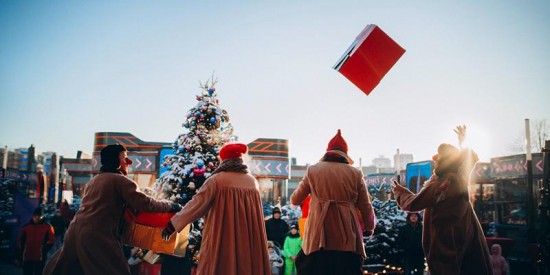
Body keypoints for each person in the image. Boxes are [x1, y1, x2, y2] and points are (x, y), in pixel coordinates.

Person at [43, 144, 180, 274]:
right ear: (115, 161)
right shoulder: (120, 181)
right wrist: (170, 206)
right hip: (98, 236)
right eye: (124, 158)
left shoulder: (95, 181)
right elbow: (145, 203)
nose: (128, 162)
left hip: (74, 233)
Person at [391, 126, 493, 275]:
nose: (435, 163)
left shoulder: (440, 186)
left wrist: (398, 191)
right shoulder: (461, 180)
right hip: (465, 236)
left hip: (444, 242)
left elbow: (413, 204)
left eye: (437, 160)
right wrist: (462, 143)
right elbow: (468, 160)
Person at [161, 143, 270, 275]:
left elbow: (196, 205)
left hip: (222, 239)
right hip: (248, 243)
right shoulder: (252, 182)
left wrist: (173, 224)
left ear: (224, 160)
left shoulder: (216, 180)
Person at [290, 129, 376, 275]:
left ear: (327, 151)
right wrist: (369, 226)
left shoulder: (313, 170)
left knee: (312, 266)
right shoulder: (355, 173)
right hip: (347, 232)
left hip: (318, 232)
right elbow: (365, 205)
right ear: (345, 153)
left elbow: (295, 199)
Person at [17, 207, 55, 275]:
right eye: (35, 216)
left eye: (39, 216)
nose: (36, 218)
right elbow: (20, 241)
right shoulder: (26, 227)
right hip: (27, 256)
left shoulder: (48, 227)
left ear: (42, 216)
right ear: (32, 216)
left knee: (39, 272)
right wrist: (20, 254)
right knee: (27, 272)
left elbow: (51, 240)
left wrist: (44, 249)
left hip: (40, 257)